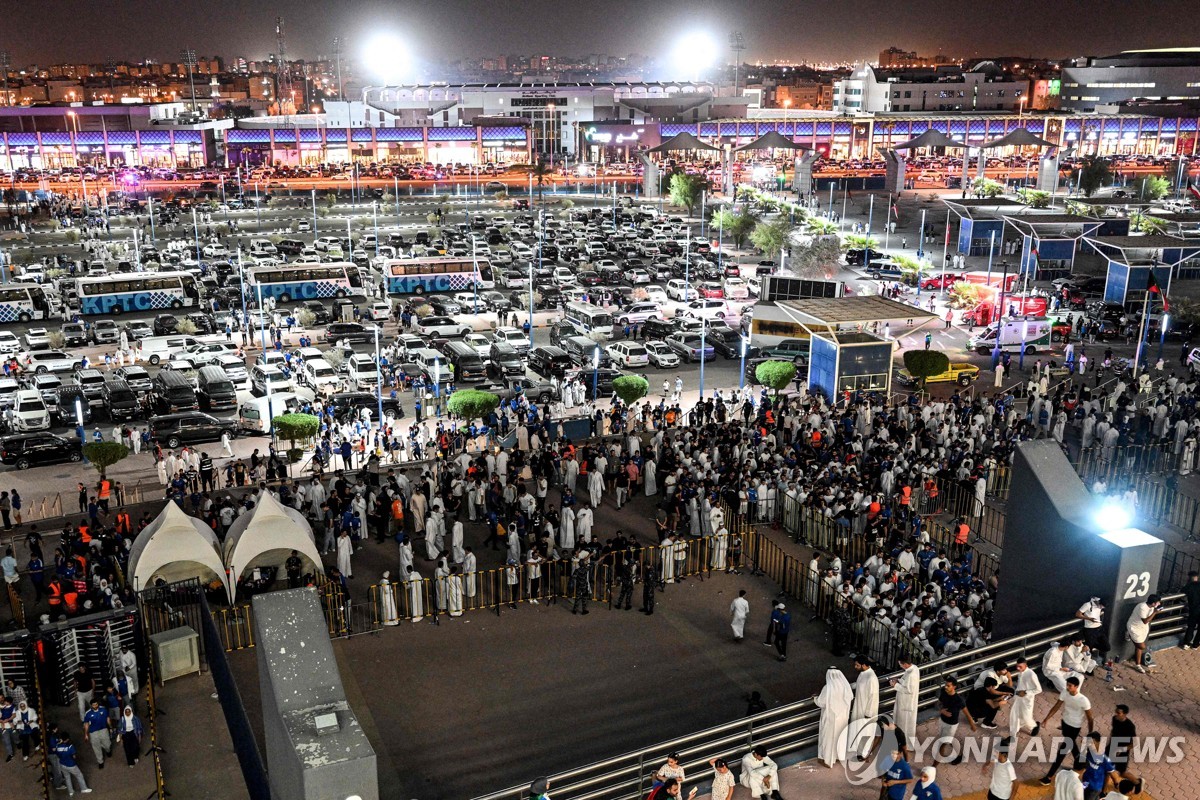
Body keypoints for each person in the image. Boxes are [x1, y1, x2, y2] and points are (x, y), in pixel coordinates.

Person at [1040, 676, 1094, 785]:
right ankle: (1082, 763)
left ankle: (1049, 777)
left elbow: (1090, 719)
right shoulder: (1065, 692)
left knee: (1062, 751)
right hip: (1065, 723)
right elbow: (1056, 706)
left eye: (1070, 686)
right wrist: (1046, 718)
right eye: (1067, 685)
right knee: (1072, 745)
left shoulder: (1083, 700)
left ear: (1076, 687)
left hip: (1075, 726)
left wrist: (1090, 733)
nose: (1067, 687)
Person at [815, 666, 853, 767]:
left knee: (828, 739)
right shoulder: (845, 687)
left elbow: (821, 702)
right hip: (842, 718)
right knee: (839, 738)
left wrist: (814, 698)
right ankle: (838, 757)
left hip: (830, 719)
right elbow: (850, 698)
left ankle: (828, 760)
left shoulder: (828, 688)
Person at [935, 676, 976, 764]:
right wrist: (941, 710)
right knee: (947, 740)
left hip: (951, 725)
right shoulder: (944, 692)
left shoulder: (959, 700)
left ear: (954, 687)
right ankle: (960, 754)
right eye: (945, 685)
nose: (946, 687)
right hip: (942, 721)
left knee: (943, 743)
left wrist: (972, 725)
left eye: (948, 686)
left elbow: (967, 714)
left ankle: (936, 763)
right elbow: (939, 703)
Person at [849, 655, 879, 757]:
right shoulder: (863, 674)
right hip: (858, 708)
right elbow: (858, 685)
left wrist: (868, 714)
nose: (855, 667)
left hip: (866, 711)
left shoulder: (872, 678)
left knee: (865, 732)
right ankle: (857, 751)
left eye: (857, 665)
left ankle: (864, 754)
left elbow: (873, 697)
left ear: (863, 665)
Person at [1125, 594, 1160, 673]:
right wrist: (1155, 612)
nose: (1159, 604)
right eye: (1158, 602)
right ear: (1153, 603)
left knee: (1139, 647)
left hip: (1143, 628)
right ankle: (1129, 634)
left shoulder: (1152, 607)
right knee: (1142, 646)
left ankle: (1138, 664)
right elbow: (1145, 621)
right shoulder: (1142, 607)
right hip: (1134, 627)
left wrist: (1155, 610)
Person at [891, 655, 920, 743]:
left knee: (904, 725)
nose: (900, 666)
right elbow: (908, 683)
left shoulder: (912, 674)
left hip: (906, 704)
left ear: (905, 664)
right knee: (904, 724)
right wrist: (899, 680)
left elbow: (909, 690)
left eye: (900, 664)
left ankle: (904, 743)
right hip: (906, 702)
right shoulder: (914, 668)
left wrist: (895, 685)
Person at [53, 731, 93, 795]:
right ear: (67, 739)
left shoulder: (57, 746)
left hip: (62, 764)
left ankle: (71, 792)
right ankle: (84, 788)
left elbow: (57, 754)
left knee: (67, 777)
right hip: (71, 765)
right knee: (79, 775)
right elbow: (74, 756)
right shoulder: (70, 746)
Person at [1081, 732, 1118, 800]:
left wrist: (1116, 785)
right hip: (1085, 783)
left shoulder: (1105, 759)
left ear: (1098, 742)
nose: (1089, 745)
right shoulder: (1089, 751)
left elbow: (1114, 775)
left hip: (1094, 788)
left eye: (1092, 742)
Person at [82, 697, 112, 767]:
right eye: (93, 705)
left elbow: (108, 718)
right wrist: (86, 734)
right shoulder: (88, 713)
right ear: (91, 705)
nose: (95, 706)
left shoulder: (103, 709)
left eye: (96, 704)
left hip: (103, 730)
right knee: (96, 747)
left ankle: (108, 750)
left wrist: (110, 727)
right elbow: (86, 724)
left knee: (108, 744)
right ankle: (100, 762)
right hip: (93, 732)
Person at [1182, 571, 1200, 650]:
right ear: (1197, 577)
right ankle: (1196, 645)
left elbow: (1182, 592)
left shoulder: (1189, 586)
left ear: (1189, 578)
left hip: (1193, 610)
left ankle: (1187, 643)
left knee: (1191, 627)